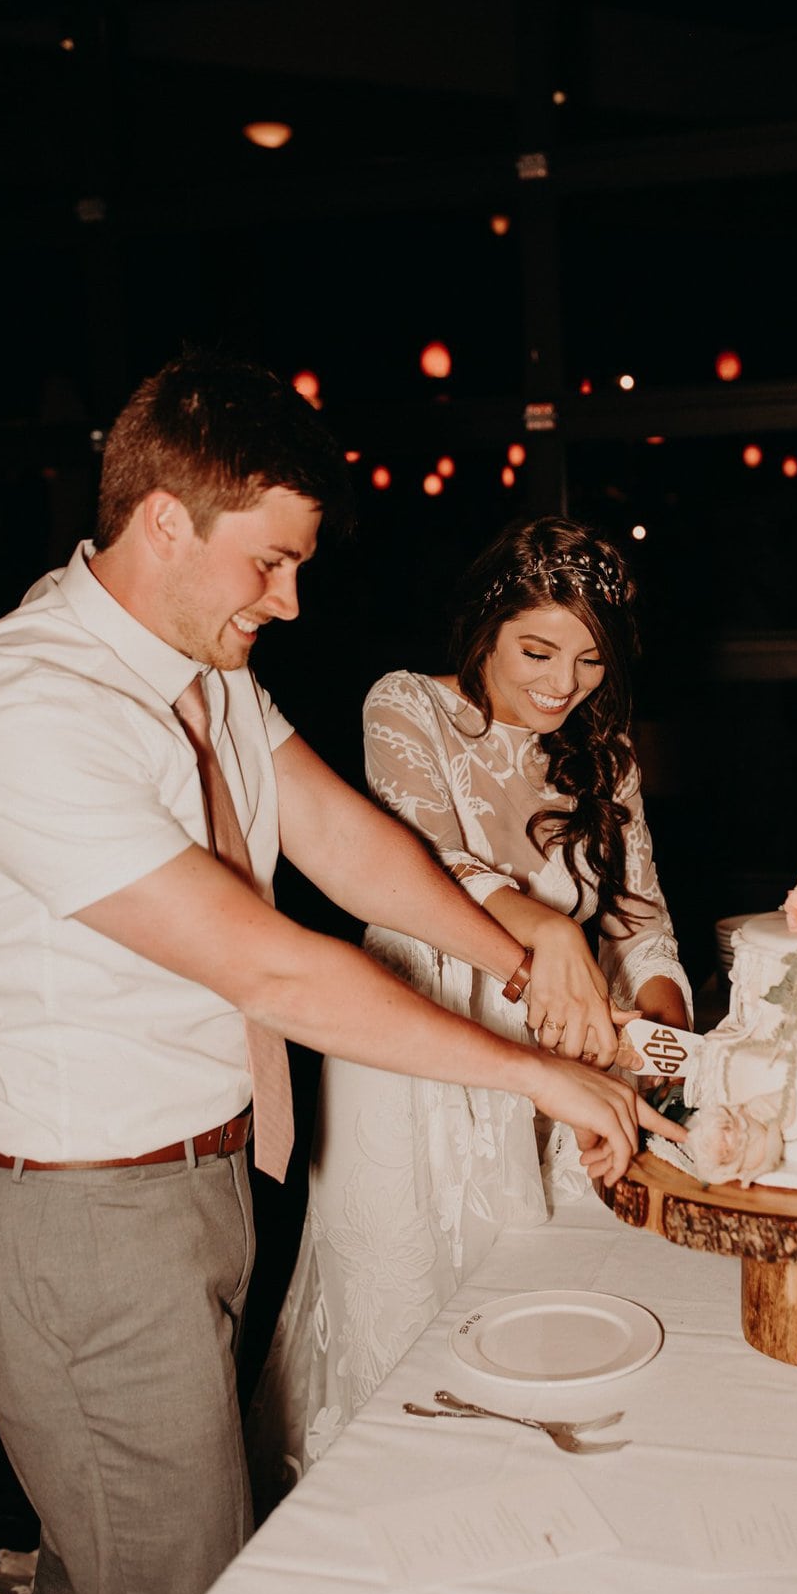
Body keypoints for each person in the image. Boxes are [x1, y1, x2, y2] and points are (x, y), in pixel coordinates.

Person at [0, 357, 679, 1594]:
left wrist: (531, 968)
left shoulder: (207, 671)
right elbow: (277, 971)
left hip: (201, 1179)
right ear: (166, 520)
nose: (290, 600)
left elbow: (352, 848)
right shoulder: (26, 703)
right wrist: (538, 1070)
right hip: (81, 1219)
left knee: (133, 1557)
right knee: (181, 1574)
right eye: (271, 561)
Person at [248, 514, 691, 1498]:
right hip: (416, 1061)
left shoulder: (604, 755)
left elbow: (643, 917)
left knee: (561, 1330)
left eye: (588, 660)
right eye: (537, 649)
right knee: (405, 1322)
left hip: (567, 1071)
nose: (560, 682)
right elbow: (425, 861)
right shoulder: (404, 706)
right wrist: (546, 932)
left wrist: (659, 1034)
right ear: (487, 626)